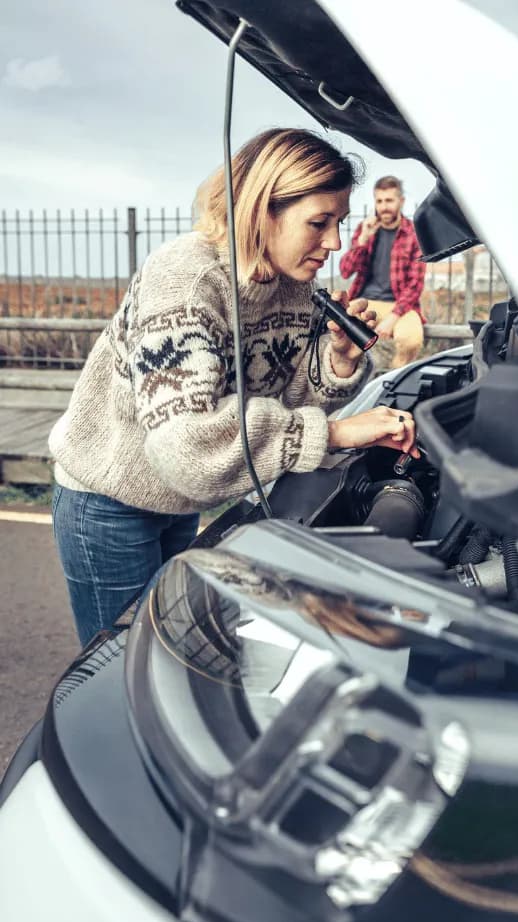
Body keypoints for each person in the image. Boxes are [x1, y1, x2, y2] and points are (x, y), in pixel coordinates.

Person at [49, 128, 419, 647]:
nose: (334, 243)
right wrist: (334, 434)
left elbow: (286, 401)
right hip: (111, 503)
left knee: (177, 642)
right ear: (261, 208)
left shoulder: (294, 285)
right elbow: (188, 447)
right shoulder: (186, 279)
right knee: (128, 662)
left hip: (181, 498)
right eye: (319, 222)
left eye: (339, 223)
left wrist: (335, 359)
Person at [339, 175, 427, 369]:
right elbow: (345, 271)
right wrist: (362, 240)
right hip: (365, 301)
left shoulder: (413, 234)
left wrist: (392, 318)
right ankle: (352, 383)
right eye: (379, 201)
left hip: (401, 306)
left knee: (410, 339)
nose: (384, 206)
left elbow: (415, 285)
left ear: (401, 202)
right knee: (341, 332)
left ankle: (392, 384)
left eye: (389, 200)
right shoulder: (366, 229)